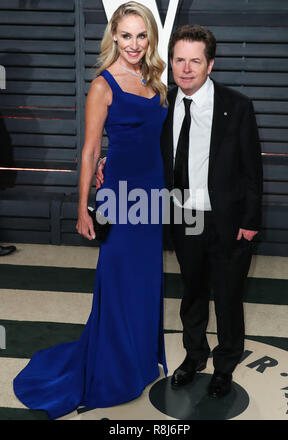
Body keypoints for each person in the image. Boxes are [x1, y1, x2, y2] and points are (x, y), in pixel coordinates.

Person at [13, 1, 168, 420]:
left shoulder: (154, 77)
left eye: (141, 35)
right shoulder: (103, 85)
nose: (134, 43)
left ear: (149, 37)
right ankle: (113, 370)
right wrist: (83, 207)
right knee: (117, 281)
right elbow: (89, 151)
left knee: (146, 282)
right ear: (113, 37)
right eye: (126, 35)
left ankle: (138, 362)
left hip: (152, 197)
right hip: (118, 198)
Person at [97, 23, 263, 400]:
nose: (186, 69)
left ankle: (225, 366)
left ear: (210, 65)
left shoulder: (236, 106)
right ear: (170, 62)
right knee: (192, 294)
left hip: (228, 221)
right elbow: (140, 146)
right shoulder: (161, 103)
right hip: (183, 219)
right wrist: (111, 160)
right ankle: (194, 357)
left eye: (195, 61)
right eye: (178, 60)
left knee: (228, 297)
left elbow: (253, 168)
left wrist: (251, 221)